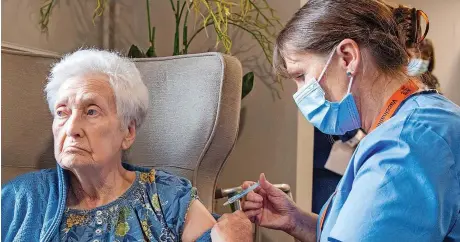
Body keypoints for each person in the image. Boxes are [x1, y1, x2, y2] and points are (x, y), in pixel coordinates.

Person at [213, 0, 460, 241]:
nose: (298, 93)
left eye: (301, 75)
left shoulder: (406, 145)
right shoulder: (412, 124)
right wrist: (297, 220)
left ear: (347, 57)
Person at [1, 49, 216, 242]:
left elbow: (223, 235)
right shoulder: (21, 197)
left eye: (91, 111)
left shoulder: (166, 197)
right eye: (62, 112)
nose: (71, 128)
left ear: (128, 131)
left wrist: (240, 226)